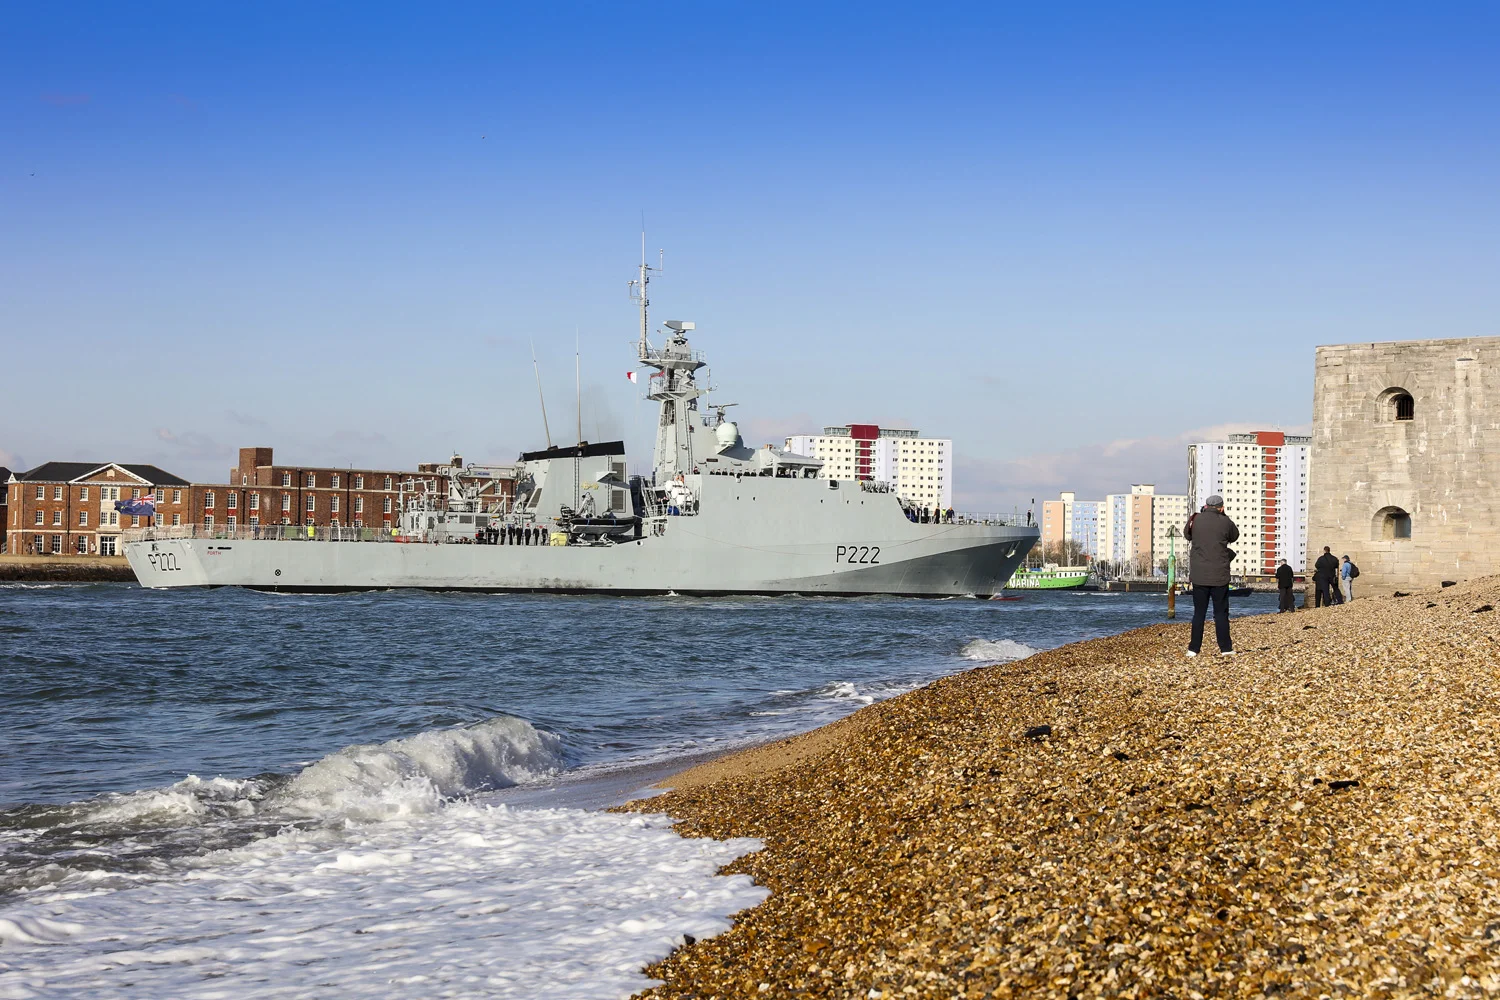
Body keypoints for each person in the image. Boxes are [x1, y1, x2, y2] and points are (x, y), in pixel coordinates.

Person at [1184, 495, 1238, 657]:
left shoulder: (1195, 519)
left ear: (1206, 506)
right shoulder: (1225, 521)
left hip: (1199, 575)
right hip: (1219, 574)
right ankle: (1226, 648)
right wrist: (1223, 517)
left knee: (1199, 613)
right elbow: (1234, 536)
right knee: (1220, 613)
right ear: (1221, 507)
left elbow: (1187, 535)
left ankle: (1193, 649)